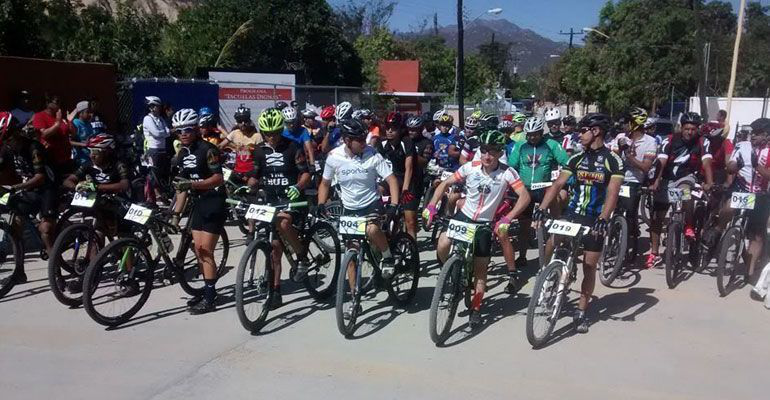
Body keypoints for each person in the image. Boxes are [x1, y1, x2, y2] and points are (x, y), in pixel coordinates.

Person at [423, 130, 531, 327]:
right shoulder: (470, 167)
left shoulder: (507, 173)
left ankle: (476, 307)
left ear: (500, 153)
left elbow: (524, 196)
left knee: (481, 271)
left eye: (493, 151)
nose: (487, 156)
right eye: (484, 150)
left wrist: (507, 218)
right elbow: (445, 183)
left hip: (483, 224)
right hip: (464, 217)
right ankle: (450, 272)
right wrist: (431, 206)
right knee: (443, 243)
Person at [533, 113, 624, 334]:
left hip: (595, 218)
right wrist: (542, 208)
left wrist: (604, 218)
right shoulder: (576, 158)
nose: (578, 135)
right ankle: (546, 273)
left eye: (583, 131)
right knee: (554, 239)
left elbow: (613, 193)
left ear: (596, 131)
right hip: (574, 213)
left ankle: (581, 311)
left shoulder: (613, 160)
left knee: (589, 266)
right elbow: (557, 185)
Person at [317, 118, 399, 292]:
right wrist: (321, 203)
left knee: (372, 230)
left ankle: (387, 256)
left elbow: (391, 180)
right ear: (347, 140)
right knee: (351, 251)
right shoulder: (334, 157)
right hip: (349, 208)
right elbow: (325, 183)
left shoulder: (373, 154)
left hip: (371, 203)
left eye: (364, 138)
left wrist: (393, 204)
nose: (364, 142)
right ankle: (354, 295)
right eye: (360, 140)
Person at [247, 108, 312, 306]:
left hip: (292, 200)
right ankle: (275, 291)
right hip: (271, 202)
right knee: (274, 250)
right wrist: (248, 185)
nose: (272, 137)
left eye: (275, 133)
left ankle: (302, 256)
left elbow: (306, 173)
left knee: (284, 223)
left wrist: (298, 186)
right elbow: (254, 176)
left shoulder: (293, 147)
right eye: (267, 134)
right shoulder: (259, 151)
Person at [170, 109, 227, 314]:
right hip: (198, 204)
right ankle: (207, 290)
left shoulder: (208, 150)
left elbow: (218, 178)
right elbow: (182, 187)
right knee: (198, 249)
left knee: (205, 250)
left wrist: (193, 185)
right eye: (178, 131)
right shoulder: (182, 153)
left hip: (214, 202)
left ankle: (210, 298)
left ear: (195, 129)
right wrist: (176, 216)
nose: (183, 134)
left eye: (187, 129)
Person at [62, 134, 131, 292]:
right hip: (101, 206)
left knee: (125, 238)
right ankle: (90, 276)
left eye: (96, 152)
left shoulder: (119, 164)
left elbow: (124, 185)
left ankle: (128, 275)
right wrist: (77, 186)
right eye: (90, 151)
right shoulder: (88, 165)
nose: (92, 155)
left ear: (107, 152)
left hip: (121, 205)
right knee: (95, 237)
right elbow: (68, 180)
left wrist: (98, 187)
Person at [647, 112, 711, 269]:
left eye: (693, 129)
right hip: (667, 178)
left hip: (686, 176)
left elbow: (707, 162)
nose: (690, 132)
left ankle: (688, 223)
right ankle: (654, 253)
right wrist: (656, 181)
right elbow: (662, 161)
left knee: (685, 191)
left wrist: (710, 182)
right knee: (657, 217)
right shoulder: (669, 140)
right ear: (681, 128)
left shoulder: (703, 141)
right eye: (687, 129)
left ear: (698, 129)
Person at [507, 116, 570, 267]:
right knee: (524, 226)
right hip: (526, 189)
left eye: (535, 134)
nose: (532, 137)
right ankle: (522, 256)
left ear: (542, 132)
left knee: (556, 217)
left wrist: (561, 181)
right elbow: (511, 166)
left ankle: (560, 245)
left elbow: (567, 164)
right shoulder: (520, 145)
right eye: (529, 135)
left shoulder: (552, 144)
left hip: (545, 188)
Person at [0, 113, 57, 278]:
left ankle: (56, 273)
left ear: (17, 133)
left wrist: (14, 187)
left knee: (46, 230)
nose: (7, 142)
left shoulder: (34, 148)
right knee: (15, 226)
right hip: (29, 190)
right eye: (4, 140)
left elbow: (40, 178)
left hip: (47, 188)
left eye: (9, 138)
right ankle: (19, 272)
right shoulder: (8, 148)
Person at [609, 107, 657, 261]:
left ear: (635, 124)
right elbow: (611, 159)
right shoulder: (621, 137)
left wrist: (630, 157)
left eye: (627, 122)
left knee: (630, 211)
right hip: (617, 178)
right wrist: (618, 149)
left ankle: (631, 234)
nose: (624, 125)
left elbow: (645, 167)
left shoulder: (650, 142)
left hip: (634, 180)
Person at [727, 118, 770, 284]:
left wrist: (756, 166)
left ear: (767, 135)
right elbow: (730, 167)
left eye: (758, 133)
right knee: (726, 209)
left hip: (760, 195)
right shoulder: (742, 145)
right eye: (752, 133)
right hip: (742, 191)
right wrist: (734, 166)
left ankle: (750, 272)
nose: (753, 136)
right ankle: (717, 231)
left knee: (757, 236)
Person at [376, 112, 417, 238]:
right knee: (378, 190)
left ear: (400, 129)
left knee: (410, 222)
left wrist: (405, 189)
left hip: (410, 180)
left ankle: (412, 246)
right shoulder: (382, 143)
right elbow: (377, 164)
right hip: (393, 178)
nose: (389, 131)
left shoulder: (407, 142)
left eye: (393, 128)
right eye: (387, 128)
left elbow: (409, 167)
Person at [32, 94, 75, 176]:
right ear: (48, 103)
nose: (58, 105)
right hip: (51, 158)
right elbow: (44, 134)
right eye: (56, 102)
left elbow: (73, 134)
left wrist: (70, 121)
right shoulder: (39, 116)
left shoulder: (60, 116)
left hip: (66, 157)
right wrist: (57, 124)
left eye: (59, 103)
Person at [141, 96, 171, 204]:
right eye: (156, 106)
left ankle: (161, 195)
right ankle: (154, 197)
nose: (158, 108)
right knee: (153, 174)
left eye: (159, 106)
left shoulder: (161, 119)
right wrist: (165, 132)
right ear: (151, 107)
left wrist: (165, 132)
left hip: (162, 150)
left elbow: (167, 132)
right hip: (153, 150)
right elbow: (157, 133)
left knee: (161, 174)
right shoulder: (147, 119)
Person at [281, 107, 319, 174]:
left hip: (299, 161)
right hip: (285, 160)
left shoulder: (303, 131)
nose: (291, 125)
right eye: (288, 123)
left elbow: (309, 149)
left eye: (293, 122)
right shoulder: (281, 132)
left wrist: (312, 165)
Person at [70, 101, 95, 167]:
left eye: (90, 112)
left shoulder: (89, 124)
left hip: (90, 158)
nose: (90, 114)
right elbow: (69, 141)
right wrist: (83, 144)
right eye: (87, 112)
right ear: (80, 113)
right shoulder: (75, 123)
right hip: (80, 160)